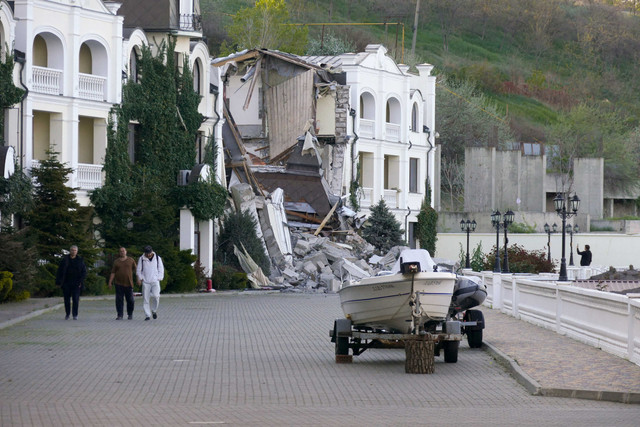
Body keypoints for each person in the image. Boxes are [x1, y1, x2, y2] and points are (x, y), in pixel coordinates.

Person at [55, 245, 87, 320]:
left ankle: (75, 314)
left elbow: (84, 272)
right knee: (66, 300)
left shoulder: (80, 260)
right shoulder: (65, 259)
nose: (73, 251)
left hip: (76, 283)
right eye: (72, 250)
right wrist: (58, 282)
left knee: (75, 299)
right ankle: (67, 314)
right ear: (70, 251)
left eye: (75, 250)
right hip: (66, 283)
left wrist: (81, 281)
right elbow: (59, 271)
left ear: (77, 251)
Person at [108, 247, 137, 320]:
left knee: (130, 300)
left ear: (126, 252)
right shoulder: (116, 261)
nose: (122, 252)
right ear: (119, 253)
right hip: (118, 283)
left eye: (123, 251)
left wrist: (138, 279)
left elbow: (136, 270)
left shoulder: (131, 260)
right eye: (120, 251)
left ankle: (130, 314)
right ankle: (120, 315)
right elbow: (113, 272)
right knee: (119, 300)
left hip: (128, 283)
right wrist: (110, 282)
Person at [136, 245, 164, 321]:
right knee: (146, 299)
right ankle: (147, 315)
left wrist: (159, 277)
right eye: (146, 253)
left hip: (155, 280)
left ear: (152, 251)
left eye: (149, 253)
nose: (148, 255)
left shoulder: (157, 258)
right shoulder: (142, 259)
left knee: (156, 296)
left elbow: (161, 269)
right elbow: (139, 270)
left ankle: (154, 310)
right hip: (146, 281)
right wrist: (141, 278)